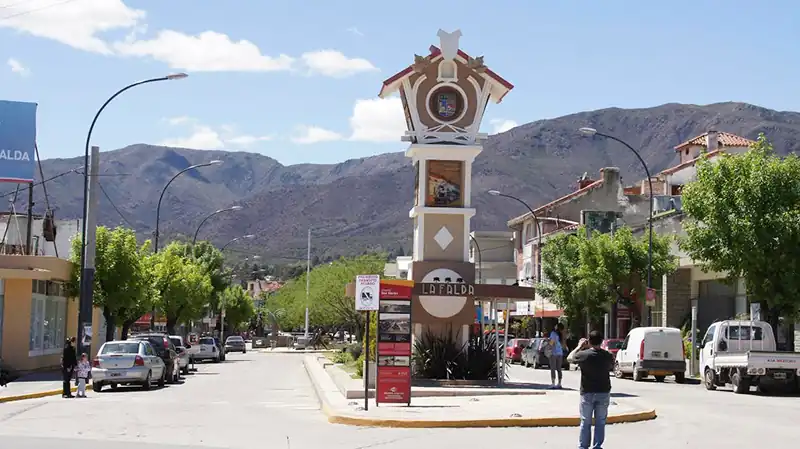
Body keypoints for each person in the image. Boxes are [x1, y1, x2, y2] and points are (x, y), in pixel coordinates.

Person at [567, 330, 615, 449]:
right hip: (603, 392)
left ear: (589, 341)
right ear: (602, 341)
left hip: (587, 392)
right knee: (600, 422)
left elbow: (569, 358)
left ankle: (583, 446)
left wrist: (579, 346)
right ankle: (597, 446)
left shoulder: (583, 355)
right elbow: (612, 365)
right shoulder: (607, 355)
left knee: (585, 421)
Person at [548, 322, 567, 388]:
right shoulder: (562, 334)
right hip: (560, 353)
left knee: (553, 368)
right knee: (559, 369)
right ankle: (559, 383)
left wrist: (549, 342)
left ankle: (553, 383)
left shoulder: (553, 333)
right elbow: (564, 345)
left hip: (553, 353)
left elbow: (551, 343)